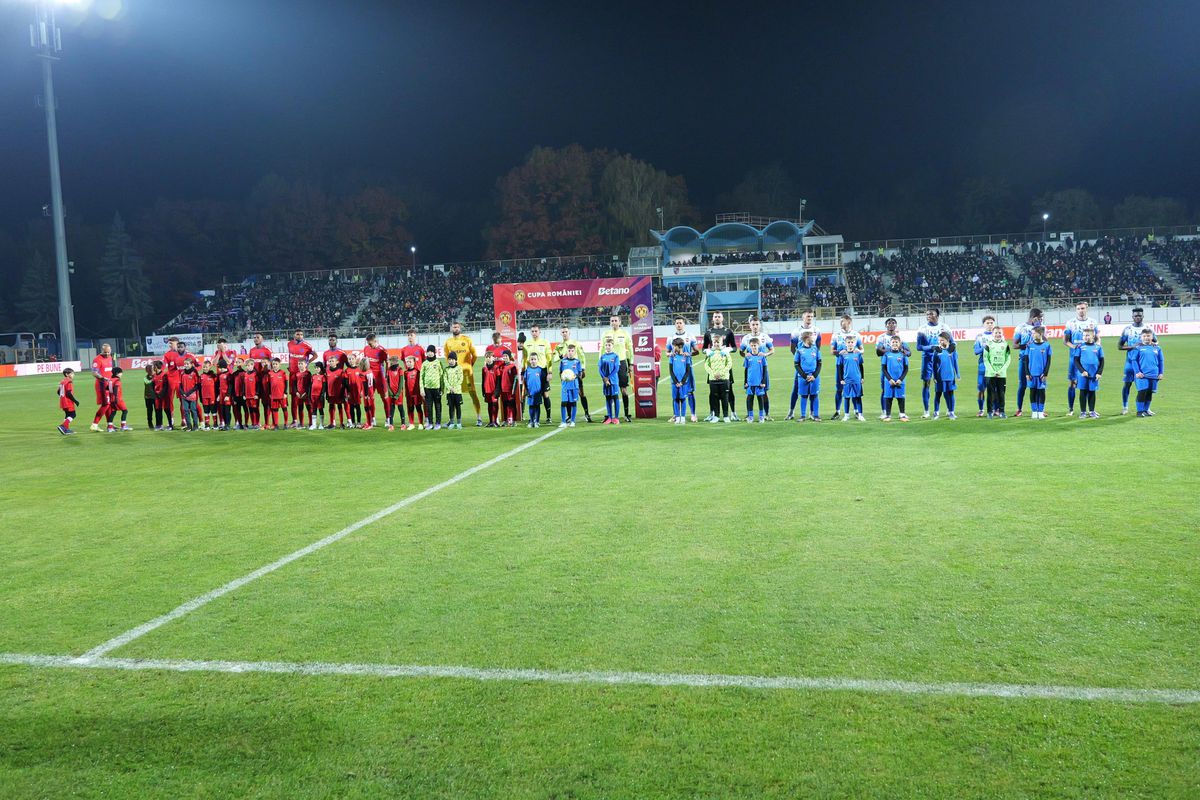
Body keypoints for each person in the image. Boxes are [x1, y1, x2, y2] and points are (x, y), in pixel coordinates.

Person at [1063, 301, 1099, 416]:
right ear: (1076, 310)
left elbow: (1097, 339)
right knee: (1073, 383)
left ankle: (1090, 410)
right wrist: (1074, 347)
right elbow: (1065, 341)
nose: (1081, 310)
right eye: (1078, 308)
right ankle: (1071, 409)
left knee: (1089, 383)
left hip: (1089, 359)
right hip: (1075, 358)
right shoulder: (1070, 323)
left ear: (1086, 309)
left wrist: (1096, 348)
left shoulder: (1093, 322)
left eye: (1083, 308)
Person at [1119, 307, 1157, 415]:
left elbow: (1155, 341)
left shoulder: (1148, 329)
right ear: (1132, 317)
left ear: (1143, 316)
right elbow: (1119, 346)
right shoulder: (1127, 329)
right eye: (1136, 315)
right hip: (1130, 363)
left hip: (1144, 365)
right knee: (1127, 384)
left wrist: (1154, 343)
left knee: (1146, 387)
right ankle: (1125, 407)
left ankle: (1146, 408)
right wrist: (1133, 346)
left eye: (1140, 315)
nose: (1138, 317)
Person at [917, 307, 953, 419]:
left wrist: (949, 353)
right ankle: (926, 411)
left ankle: (949, 409)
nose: (928, 316)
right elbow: (919, 347)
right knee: (926, 384)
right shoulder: (922, 329)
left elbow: (952, 343)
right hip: (928, 359)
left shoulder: (945, 327)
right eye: (927, 314)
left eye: (931, 314)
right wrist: (932, 347)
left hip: (942, 360)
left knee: (946, 384)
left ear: (937, 315)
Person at [598, 315, 635, 422]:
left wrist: (631, 363)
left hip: (621, 363)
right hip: (607, 365)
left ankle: (626, 414)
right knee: (609, 389)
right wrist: (600, 362)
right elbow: (601, 349)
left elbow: (630, 349)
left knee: (623, 389)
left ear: (619, 322)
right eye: (612, 321)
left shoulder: (624, 334)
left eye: (615, 321)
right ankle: (610, 415)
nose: (613, 322)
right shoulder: (605, 334)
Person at [444, 323, 481, 426]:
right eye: (454, 327)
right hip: (454, 375)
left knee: (473, 394)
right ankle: (451, 419)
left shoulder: (467, 340)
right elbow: (447, 357)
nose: (455, 328)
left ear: (460, 328)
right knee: (453, 396)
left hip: (466, 373)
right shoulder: (448, 342)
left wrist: (470, 365)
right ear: (451, 328)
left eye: (457, 327)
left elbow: (475, 355)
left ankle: (479, 418)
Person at [787, 309, 821, 420]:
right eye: (807, 316)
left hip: (813, 366)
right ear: (803, 317)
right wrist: (801, 359)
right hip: (801, 367)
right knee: (796, 389)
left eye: (811, 316)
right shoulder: (796, 331)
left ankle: (812, 413)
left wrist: (812, 359)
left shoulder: (817, 330)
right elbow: (792, 348)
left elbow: (818, 346)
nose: (810, 318)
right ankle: (791, 412)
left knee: (813, 390)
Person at [664, 317, 699, 422]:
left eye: (680, 323)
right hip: (675, 366)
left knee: (689, 391)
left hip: (687, 367)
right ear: (675, 324)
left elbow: (697, 351)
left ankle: (693, 414)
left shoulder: (690, 336)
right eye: (677, 323)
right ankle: (676, 415)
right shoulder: (671, 337)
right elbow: (666, 352)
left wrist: (689, 354)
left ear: (684, 324)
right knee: (675, 392)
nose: (679, 325)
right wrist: (670, 354)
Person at [874, 318, 909, 419]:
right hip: (886, 369)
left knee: (899, 392)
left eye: (893, 323)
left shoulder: (900, 338)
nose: (891, 325)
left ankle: (901, 412)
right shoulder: (881, 337)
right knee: (885, 391)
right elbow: (878, 352)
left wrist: (901, 350)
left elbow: (909, 352)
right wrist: (892, 349)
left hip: (898, 371)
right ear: (886, 325)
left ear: (896, 325)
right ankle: (884, 412)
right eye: (889, 323)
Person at [555, 327, 592, 423]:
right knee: (567, 394)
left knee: (581, 393)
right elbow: (554, 358)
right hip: (565, 375)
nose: (564, 333)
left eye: (566, 331)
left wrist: (583, 368)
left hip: (575, 373)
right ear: (561, 333)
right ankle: (569, 415)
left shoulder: (575, 343)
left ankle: (587, 414)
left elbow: (582, 355)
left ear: (569, 332)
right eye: (562, 332)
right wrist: (560, 356)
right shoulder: (559, 346)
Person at [739, 320, 773, 419]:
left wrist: (765, 354)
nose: (755, 326)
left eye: (757, 324)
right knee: (750, 392)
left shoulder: (764, 337)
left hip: (762, 369)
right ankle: (749, 414)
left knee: (764, 391)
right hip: (750, 369)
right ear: (750, 326)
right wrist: (745, 354)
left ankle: (766, 414)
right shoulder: (746, 338)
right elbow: (741, 352)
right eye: (753, 324)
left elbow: (772, 350)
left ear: (760, 325)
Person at [1013, 307, 1043, 416]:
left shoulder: (1041, 328)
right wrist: (1026, 346)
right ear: (1035, 318)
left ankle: (1039, 410)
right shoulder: (1021, 327)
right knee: (1022, 384)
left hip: (1038, 360)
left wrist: (1038, 327)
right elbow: (1015, 345)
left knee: (1038, 385)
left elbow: (1045, 342)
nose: (1042, 320)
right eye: (1040, 318)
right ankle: (1019, 409)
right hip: (1024, 359)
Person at [830, 314, 862, 420]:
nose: (841, 323)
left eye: (842, 321)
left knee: (853, 389)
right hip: (840, 366)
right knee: (839, 389)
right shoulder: (836, 335)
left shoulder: (856, 334)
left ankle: (856, 411)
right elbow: (832, 351)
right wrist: (839, 352)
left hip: (853, 366)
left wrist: (858, 351)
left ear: (849, 322)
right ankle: (837, 411)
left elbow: (862, 349)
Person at [287, 329, 316, 428]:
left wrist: (308, 362)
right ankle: (295, 420)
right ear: (294, 335)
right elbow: (290, 356)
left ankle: (310, 422)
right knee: (293, 397)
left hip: (303, 375)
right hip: (292, 374)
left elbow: (315, 355)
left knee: (306, 397)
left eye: (301, 334)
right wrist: (290, 365)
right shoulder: (289, 344)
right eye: (297, 334)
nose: (299, 336)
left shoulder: (307, 345)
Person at [1132, 329, 1164, 417]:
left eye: (1148, 336)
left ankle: (1146, 410)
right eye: (1144, 336)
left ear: (1152, 337)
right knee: (1142, 391)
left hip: (1154, 374)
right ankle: (1139, 411)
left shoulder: (1157, 348)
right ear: (1141, 337)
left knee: (1149, 392)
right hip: (1142, 375)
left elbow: (1161, 361)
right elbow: (1134, 360)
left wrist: (1161, 373)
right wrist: (1137, 372)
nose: (1146, 338)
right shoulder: (1138, 348)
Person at [1074, 330, 1104, 419]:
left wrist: (1099, 372)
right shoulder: (1080, 347)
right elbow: (1076, 361)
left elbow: (1102, 361)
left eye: (1087, 335)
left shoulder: (1098, 347)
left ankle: (1091, 411)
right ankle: (1083, 412)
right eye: (1084, 335)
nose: (1085, 337)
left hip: (1094, 374)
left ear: (1092, 336)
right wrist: (1082, 371)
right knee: (1083, 392)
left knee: (1092, 392)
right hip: (1082, 374)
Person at [703, 338, 734, 423]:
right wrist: (712, 374)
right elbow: (706, 365)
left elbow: (729, 364)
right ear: (712, 343)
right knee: (714, 397)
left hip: (724, 378)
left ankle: (726, 416)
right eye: (715, 342)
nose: (716, 344)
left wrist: (721, 373)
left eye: (718, 342)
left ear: (721, 343)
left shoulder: (725, 352)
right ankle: (716, 416)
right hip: (713, 379)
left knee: (725, 397)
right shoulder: (710, 353)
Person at [793, 330, 821, 422]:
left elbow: (819, 363)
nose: (813, 338)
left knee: (815, 395)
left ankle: (816, 415)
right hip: (803, 377)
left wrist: (814, 375)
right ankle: (802, 415)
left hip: (814, 377)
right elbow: (796, 364)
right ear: (806, 338)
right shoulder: (799, 350)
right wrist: (805, 376)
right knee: (804, 396)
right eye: (812, 336)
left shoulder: (815, 349)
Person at [1024, 327, 1053, 419]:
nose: (1032, 335)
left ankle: (1040, 412)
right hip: (1032, 374)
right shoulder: (1029, 345)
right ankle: (1034, 411)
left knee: (1041, 392)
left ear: (1040, 334)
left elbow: (1048, 361)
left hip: (1041, 375)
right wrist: (1027, 373)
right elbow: (1026, 360)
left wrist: (1045, 373)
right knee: (1032, 392)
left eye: (1033, 333)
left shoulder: (1047, 346)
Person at [323, 335, 350, 429]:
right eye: (330, 340)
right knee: (331, 404)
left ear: (336, 341)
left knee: (342, 403)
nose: (331, 341)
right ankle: (332, 423)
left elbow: (348, 366)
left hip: (340, 383)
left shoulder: (342, 353)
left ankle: (346, 421)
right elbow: (324, 367)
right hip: (330, 383)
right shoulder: (325, 353)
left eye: (333, 340)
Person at [983, 327, 1011, 418]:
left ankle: (1002, 412)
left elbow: (1008, 359)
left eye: (999, 333)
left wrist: (1001, 371)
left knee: (1001, 394)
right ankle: (990, 412)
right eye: (996, 333)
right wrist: (992, 371)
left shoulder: (1005, 344)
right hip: (990, 374)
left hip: (1001, 375)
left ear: (1002, 334)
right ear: (992, 334)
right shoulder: (988, 344)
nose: (998, 334)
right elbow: (985, 359)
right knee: (990, 394)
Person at [973, 316, 997, 418]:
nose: (990, 325)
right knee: (981, 389)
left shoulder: (998, 335)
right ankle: (981, 409)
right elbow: (976, 351)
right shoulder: (979, 336)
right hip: (982, 366)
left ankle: (995, 409)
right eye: (987, 323)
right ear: (984, 324)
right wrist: (985, 347)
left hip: (995, 366)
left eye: (991, 323)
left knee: (994, 389)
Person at [880, 336, 909, 422]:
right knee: (888, 398)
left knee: (901, 397)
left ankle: (902, 414)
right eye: (893, 342)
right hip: (889, 381)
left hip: (900, 381)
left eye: (896, 342)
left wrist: (901, 379)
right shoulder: (886, 354)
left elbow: (906, 369)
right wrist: (889, 379)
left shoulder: (903, 355)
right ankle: (888, 415)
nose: (895, 344)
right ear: (890, 343)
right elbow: (884, 368)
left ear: (899, 344)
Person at [932, 332, 960, 420]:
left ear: (947, 340)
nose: (940, 342)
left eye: (942, 340)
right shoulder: (937, 351)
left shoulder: (952, 350)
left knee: (951, 394)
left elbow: (955, 362)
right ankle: (936, 412)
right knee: (938, 394)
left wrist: (958, 374)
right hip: (940, 377)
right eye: (939, 340)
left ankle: (951, 412)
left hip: (950, 376)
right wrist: (935, 377)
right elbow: (933, 365)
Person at [667, 338, 695, 425]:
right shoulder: (672, 357)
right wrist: (676, 382)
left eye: (674, 346)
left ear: (679, 346)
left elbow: (687, 371)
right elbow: (671, 371)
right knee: (675, 399)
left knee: (683, 399)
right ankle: (677, 417)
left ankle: (682, 417)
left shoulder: (686, 357)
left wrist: (682, 382)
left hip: (683, 383)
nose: (673, 347)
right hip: (674, 383)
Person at [839, 332, 865, 421]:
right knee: (846, 397)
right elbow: (840, 367)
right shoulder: (842, 354)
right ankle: (846, 415)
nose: (850, 344)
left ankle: (860, 414)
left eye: (852, 342)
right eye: (848, 342)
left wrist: (862, 377)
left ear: (855, 343)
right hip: (847, 380)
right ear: (845, 343)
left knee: (858, 397)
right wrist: (841, 379)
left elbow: (861, 366)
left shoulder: (858, 354)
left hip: (857, 379)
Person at [90, 342, 116, 431]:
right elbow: (94, 372)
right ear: (102, 350)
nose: (107, 354)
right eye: (105, 352)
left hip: (109, 384)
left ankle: (110, 424)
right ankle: (94, 424)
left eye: (108, 352)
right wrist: (103, 378)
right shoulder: (97, 359)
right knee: (106, 404)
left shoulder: (110, 358)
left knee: (109, 405)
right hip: (102, 385)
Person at [557, 343, 583, 428]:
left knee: (573, 403)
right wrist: (562, 377)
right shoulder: (563, 361)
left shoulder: (577, 362)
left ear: (575, 352)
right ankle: (563, 421)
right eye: (569, 351)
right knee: (563, 403)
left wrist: (575, 376)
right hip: (565, 385)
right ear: (567, 351)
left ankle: (572, 421)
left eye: (572, 351)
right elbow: (560, 372)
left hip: (574, 385)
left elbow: (580, 373)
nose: (570, 352)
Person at [248, 333, 272, 422]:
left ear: (262, 339)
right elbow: (250, 364)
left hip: (265, 380)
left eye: (258, 337)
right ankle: (256, 423)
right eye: (254, 337)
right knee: (255, 402)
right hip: (254, 380)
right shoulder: (251, 350)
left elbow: (272, 364)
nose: (256, 339)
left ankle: (267, 422)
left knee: (266, 403)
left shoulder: (267, 350)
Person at [420, 345, 445, 430]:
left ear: (434, 352)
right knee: (429, 407)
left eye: (431, 351)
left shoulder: (438, 362)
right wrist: (422, 389)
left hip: (436, 388)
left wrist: (442, 388)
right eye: (428, 351)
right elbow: (421, 377)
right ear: (426, 353)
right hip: (427, 389)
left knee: (438, 406)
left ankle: (438, 423)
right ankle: (430, 423)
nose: (430, 353)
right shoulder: (424, 363)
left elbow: (442, 376)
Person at [597, 339, 622, 425]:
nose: (607, 347)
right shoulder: (602, 357)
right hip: (605, 381)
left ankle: (616, 417)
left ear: (612, 346)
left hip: (613, 381)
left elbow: (616, 369)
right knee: (608, 399)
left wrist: (608, 378)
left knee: (615, 398)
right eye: (606, 345)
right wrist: (604, 378)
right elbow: (599, 369)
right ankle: (609, 417)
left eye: (609, 345)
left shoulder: (615, 356)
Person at [523, 352, 548, 428]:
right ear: (529, 360)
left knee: (537, 406)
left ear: (537, 360)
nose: (533, 361)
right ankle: (531, 421)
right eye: (532, 359)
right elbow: (525, 381)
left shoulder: (540, 370)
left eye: (534, 359)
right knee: (531, 406)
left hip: (538, 392)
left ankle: (536, 421)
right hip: (530, 392)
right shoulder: (528, 370)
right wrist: (526, 390)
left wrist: (542, 391)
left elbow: (543, 381)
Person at [103, 366, 131, 431]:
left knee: (113, 412)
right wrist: (115, 398)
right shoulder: (117, 380)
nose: (122, 374)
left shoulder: (110, 380)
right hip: (117, 399)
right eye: (121, 373)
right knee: (125, 411)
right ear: (117, 373)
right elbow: (116, 388)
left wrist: (111, 395)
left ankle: (110, 427)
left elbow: (107, 388)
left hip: (111, 399)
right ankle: (123, 426)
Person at [498, 350, 519, 427]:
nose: (505, 357)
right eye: (503, 356)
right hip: (503, 390)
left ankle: (514, 420)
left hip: (510, 390)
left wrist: (513, 389)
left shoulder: (513, 366)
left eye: (506, 356)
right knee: (505, 405)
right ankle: (506, 420)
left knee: (512, 405)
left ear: (509, 357)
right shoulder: (501, 366)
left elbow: (516, 378)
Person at [443, 352, 464, 429]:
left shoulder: (459, 368)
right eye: (449, 359)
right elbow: (445, 379)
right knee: (451, 407)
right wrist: (450, 388)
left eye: (452, 359)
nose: (451, 361)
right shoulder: (446, 369)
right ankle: (451, 422)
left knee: (458, 407)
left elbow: (460, 379)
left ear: (456, 360)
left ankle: (459, 423)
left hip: (457, 392)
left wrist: (454, 388)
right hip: (449, 392)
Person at [57, 367, 79, 435]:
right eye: (72, 373)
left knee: (67, 415)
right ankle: (63, 426)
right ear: (67, 374)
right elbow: (68, 393)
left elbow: (58, 392)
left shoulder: (62, 381)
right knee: (73, 414)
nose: (73, 375)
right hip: (68, 401)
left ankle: (66, 429)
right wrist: (75, 401)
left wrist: (62, 397)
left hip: (63, 401)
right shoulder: (69, 382)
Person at [179, 360, 200, 431]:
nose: (186, 365)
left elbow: (197, 385)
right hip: (184, 396)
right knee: (185, 410)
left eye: (187, 364)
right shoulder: (182, 373)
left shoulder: (194, 373)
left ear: (191, 364)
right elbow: (180, 385)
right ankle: (189, 426)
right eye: (185, 364)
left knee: (193, 410)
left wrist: (188, 393)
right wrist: (182, 392)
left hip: (192, 395)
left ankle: (196, 426)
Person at [267, 358, 288, 429]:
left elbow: (286, 383)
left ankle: (286, 424)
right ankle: (276, 425)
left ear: (279, 364)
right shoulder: (270, 373)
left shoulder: (283, 373)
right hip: (274, 395)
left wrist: (285, 393)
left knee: (284, 409)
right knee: (275, 410)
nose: (275, 365)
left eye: (276, 364)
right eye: (273, 364)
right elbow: (269, 384)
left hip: (282, 395)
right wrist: (269, 393)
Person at [481, 353, 500, 428]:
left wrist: (497, 391)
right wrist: (483, 390)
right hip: (487, 390)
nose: (488, 359)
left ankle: (495, 421)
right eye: (487, 357)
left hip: (494, 391)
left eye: (490, 357)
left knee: (495, 405)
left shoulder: (496, 368)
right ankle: (490, 421)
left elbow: (498, 380)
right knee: (489, 406)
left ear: (493, 358)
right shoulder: (484, 368)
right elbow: (483, 380)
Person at [384, 356, 403, 431]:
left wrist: (398, 394)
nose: (391, 363)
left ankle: (403, 424)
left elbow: (401, 383)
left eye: (392, 361)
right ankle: (391, 424)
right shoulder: (388, 370)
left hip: (399, 393)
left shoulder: (400, 369)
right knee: (391, 409)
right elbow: (387, 382)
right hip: (391, 393)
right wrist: (390, 393)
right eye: (390, 361)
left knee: (400, 408)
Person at [308, 361, 327, 430]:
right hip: (313, 395)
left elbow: (324, 387)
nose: (316, 369)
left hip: (319, 396)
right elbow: (310, 386)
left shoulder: (323, 376)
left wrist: (322, 395)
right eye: (315, 367)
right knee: (314, 409)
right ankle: (314, 424)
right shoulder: (313, 376)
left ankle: (321, 424)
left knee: (320, 409)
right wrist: (309, 395)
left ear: (321, 368)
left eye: (318, 367)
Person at [240, 361, 260, 428]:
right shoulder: (245, 374)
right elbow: (244, 385)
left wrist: (257, 394)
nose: (248, 367)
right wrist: (243, 394)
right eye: (247, 366)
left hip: (254, 396)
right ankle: (253, 423)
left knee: (255, 409)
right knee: (250, 410)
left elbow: (258, 385)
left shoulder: (255, 374)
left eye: (249, 365)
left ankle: (257, 423)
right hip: (247, 396)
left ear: (253, 365)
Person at [199, 362, 217, 430]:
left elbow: (217, 385)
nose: (205, 368)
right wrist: (200, 397)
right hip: (204, 397)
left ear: (210, 367)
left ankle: (215, 424)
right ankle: (207, 425)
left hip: (212, 396)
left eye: (206, 367)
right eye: (204, 367)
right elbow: (199, 388)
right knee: (206, 411)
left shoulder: (213, 376)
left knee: (213, 411)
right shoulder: (201, 376)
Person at [142, 362, 160, 431]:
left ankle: (158, 424)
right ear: (147, 371)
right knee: (149, 411)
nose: (151, 371)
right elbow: (147, 382)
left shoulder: (156, 376)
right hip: (148, 397)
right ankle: (150, 423)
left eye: (152, 369)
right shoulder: (145, 378)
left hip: (155, 397)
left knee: (157, 411)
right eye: (149, 370)